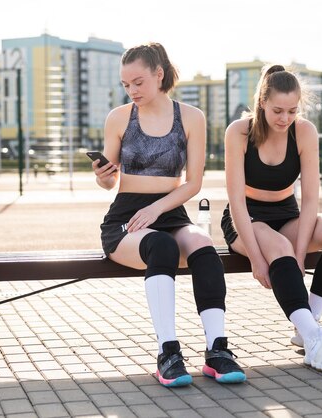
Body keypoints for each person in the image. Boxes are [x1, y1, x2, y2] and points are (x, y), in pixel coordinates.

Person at [93, 43, 245, 387]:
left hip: (169, 210)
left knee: (204, 245)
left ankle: (217, 351)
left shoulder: (191, 117)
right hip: (126, 219)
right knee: (161, 247)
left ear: (159, 74)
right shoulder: (119, 118)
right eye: (126, 85)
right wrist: (104, 178)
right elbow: (110, 181)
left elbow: (194, 183)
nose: (132, 91)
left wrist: (156, 208)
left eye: (138, 82)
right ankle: (168, 353)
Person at [222, 64, 322, 373]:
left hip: (287, 214)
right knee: (278, 247)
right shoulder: (239, 132)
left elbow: (310, 199)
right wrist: (257, 259)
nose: (285, 119)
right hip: (245, 218)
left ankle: (305, 324)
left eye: (292, 111)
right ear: (262, 103)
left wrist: (299, 256)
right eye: (277, 111)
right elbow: (236, 203)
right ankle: (316, 341)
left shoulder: (304, 131)